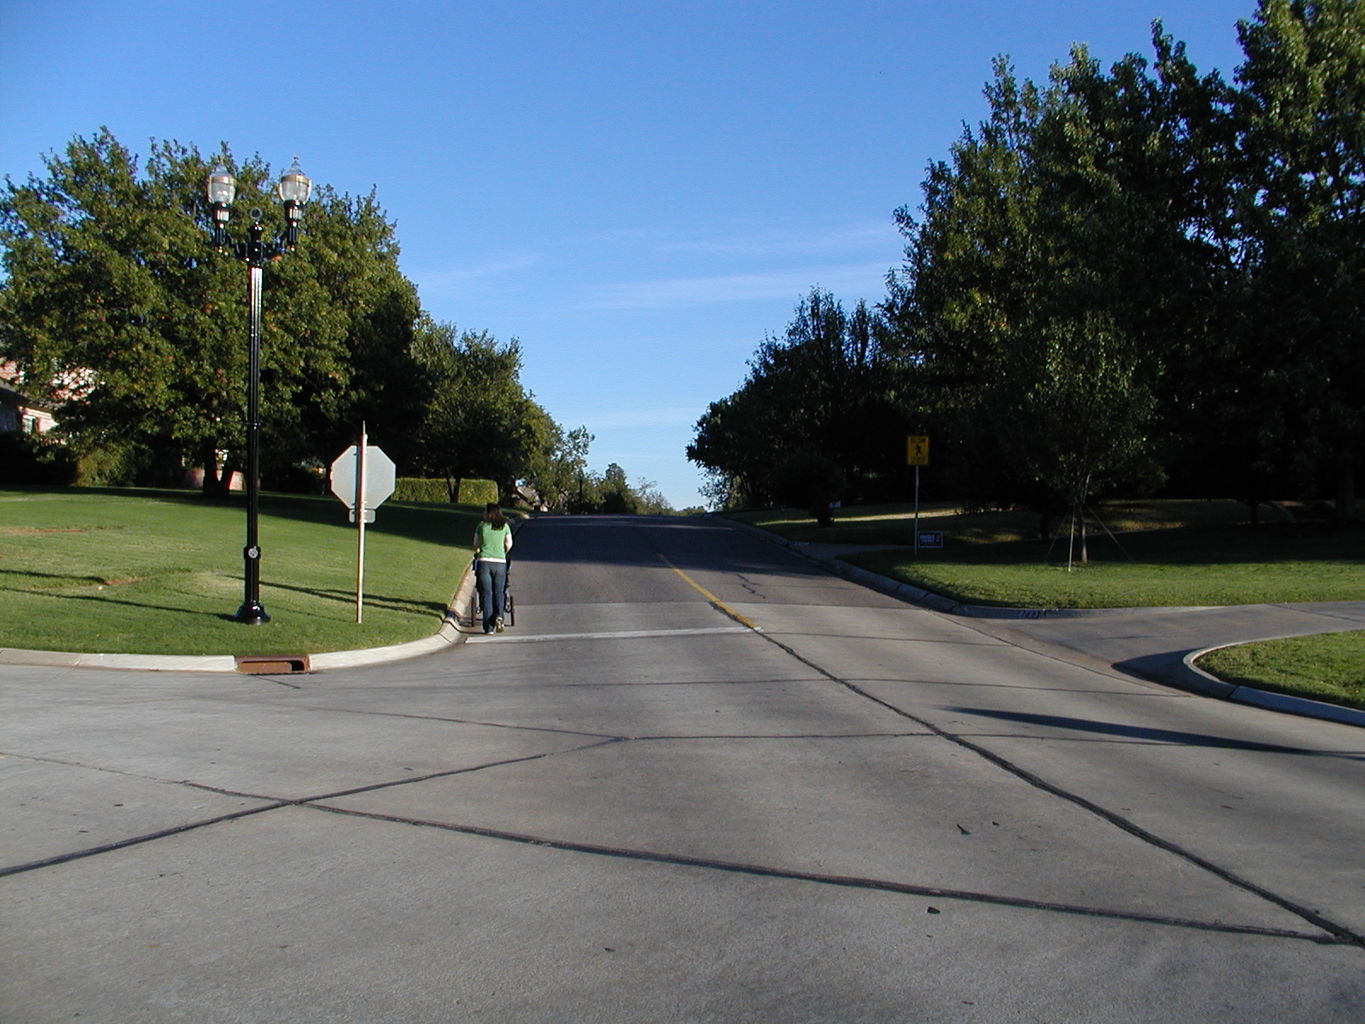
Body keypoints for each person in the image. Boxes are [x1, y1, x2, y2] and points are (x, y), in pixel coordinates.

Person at [472, 502, 513, 633]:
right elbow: (509, 544)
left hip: (484, 562)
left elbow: (475, 544)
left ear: (488, 513)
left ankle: (489, 627)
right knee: (499, 591)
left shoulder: (481, 526)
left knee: (487, 594)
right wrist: (502, 552)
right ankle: (499, 616)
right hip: (500, 562)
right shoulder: (505, 526)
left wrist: (479, 550)